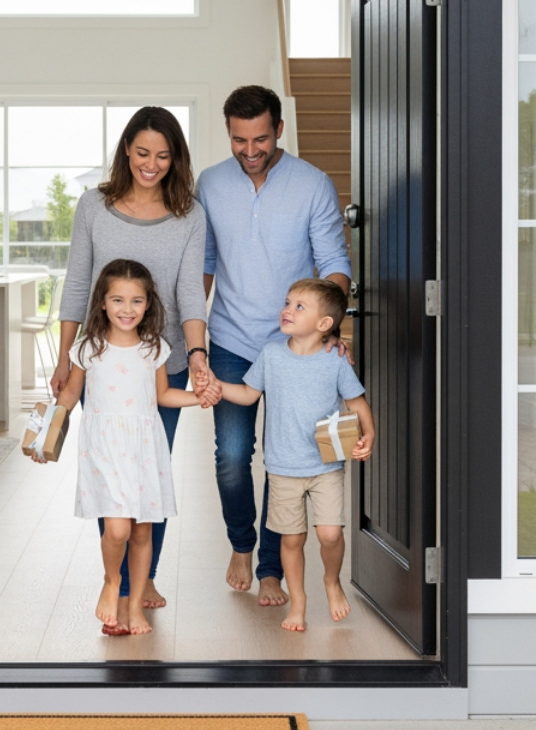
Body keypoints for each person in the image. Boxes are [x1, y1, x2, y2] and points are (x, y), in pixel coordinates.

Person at [53, 106, 210, 632]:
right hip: (102, 363)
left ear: (176, 158)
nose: (151, 164)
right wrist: (65, 355)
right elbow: (78, 282)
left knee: (149, 475)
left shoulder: (189, 214)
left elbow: (190, 291)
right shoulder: (93, 206)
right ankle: (119, 586)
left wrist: (197, 355)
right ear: (126, 149)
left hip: (162, 362)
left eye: (163, 156)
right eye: (143, 152)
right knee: (112, 477)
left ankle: (142, 583)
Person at [196, 85, 351, 607]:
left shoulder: (313, 184)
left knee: (286, 461)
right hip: (231, 338)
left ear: (279, 129)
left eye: (260, 138)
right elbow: (205, 263)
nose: (250, 150)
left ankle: (269, 570)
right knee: (232, 456)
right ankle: (241, 544)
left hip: (294, 348)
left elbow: (334, 265)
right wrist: (191, 338)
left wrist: (328, 329)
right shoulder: (210, 183)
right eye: (239, 140)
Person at [43, 259, 212, 635]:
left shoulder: (155, 348)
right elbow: (69, 395)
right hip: (104, 449)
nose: (127, 309)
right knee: (117, 529)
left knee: (142, 532)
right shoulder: (88, 348)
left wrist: (198, 398)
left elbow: (163, 396)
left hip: (144, 450)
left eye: (136, 301)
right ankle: (111, 582)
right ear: (102, 303)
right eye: (118, 300)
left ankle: (135, 607)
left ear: (148, 304)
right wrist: (44, 434)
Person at [212, 279, 374, 632]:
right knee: (292, 539)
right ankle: (298, 602)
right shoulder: (271, 354)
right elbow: (248, 394)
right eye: (288, 302)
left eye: (300, 306)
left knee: (330, 534)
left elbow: (357, 402)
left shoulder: (334, 360)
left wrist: (370, 434)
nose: (287, 310)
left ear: (324, 324)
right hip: (283, 468)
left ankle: (332, 582)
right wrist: (215, 385)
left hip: (326, 465)